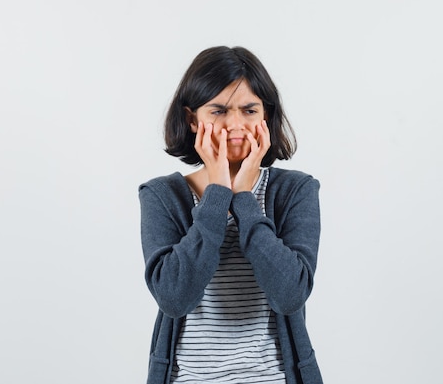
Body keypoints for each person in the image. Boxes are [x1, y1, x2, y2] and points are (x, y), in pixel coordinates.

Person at [138, 46, 323, 384]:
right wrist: (218, 194)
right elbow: (174, 297)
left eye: (249, 110)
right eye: (219, 110)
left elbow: (290, 294)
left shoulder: (296, 191)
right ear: (193, 119)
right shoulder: (161, 196)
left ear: (265, 116)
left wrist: (243, 200)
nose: (235, 124)